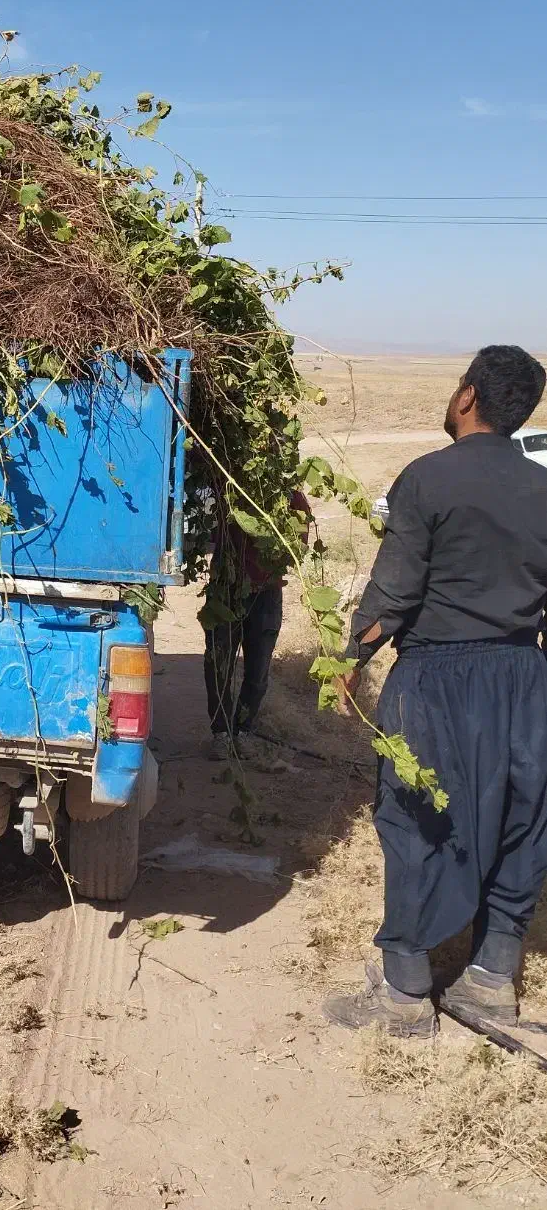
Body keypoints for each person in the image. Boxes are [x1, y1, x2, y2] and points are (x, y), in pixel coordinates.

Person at [325, 345, 547, 1038]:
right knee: (518, 817)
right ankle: (489, 980)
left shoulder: (426, 479)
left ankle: (404, 992)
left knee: (417, 816)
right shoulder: (545, 489)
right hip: (521, 675)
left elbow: (392, 593)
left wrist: (347, 662)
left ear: (466, 397)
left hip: (438, 677)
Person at [204, 489, 311, 757]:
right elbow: (208, 534)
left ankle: (243, 731)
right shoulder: (228, 489)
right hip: (225, 591)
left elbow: (298, 547)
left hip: (266, 594)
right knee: (219, 665)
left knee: (258, 670)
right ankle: (221, 733)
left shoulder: (292, 500)